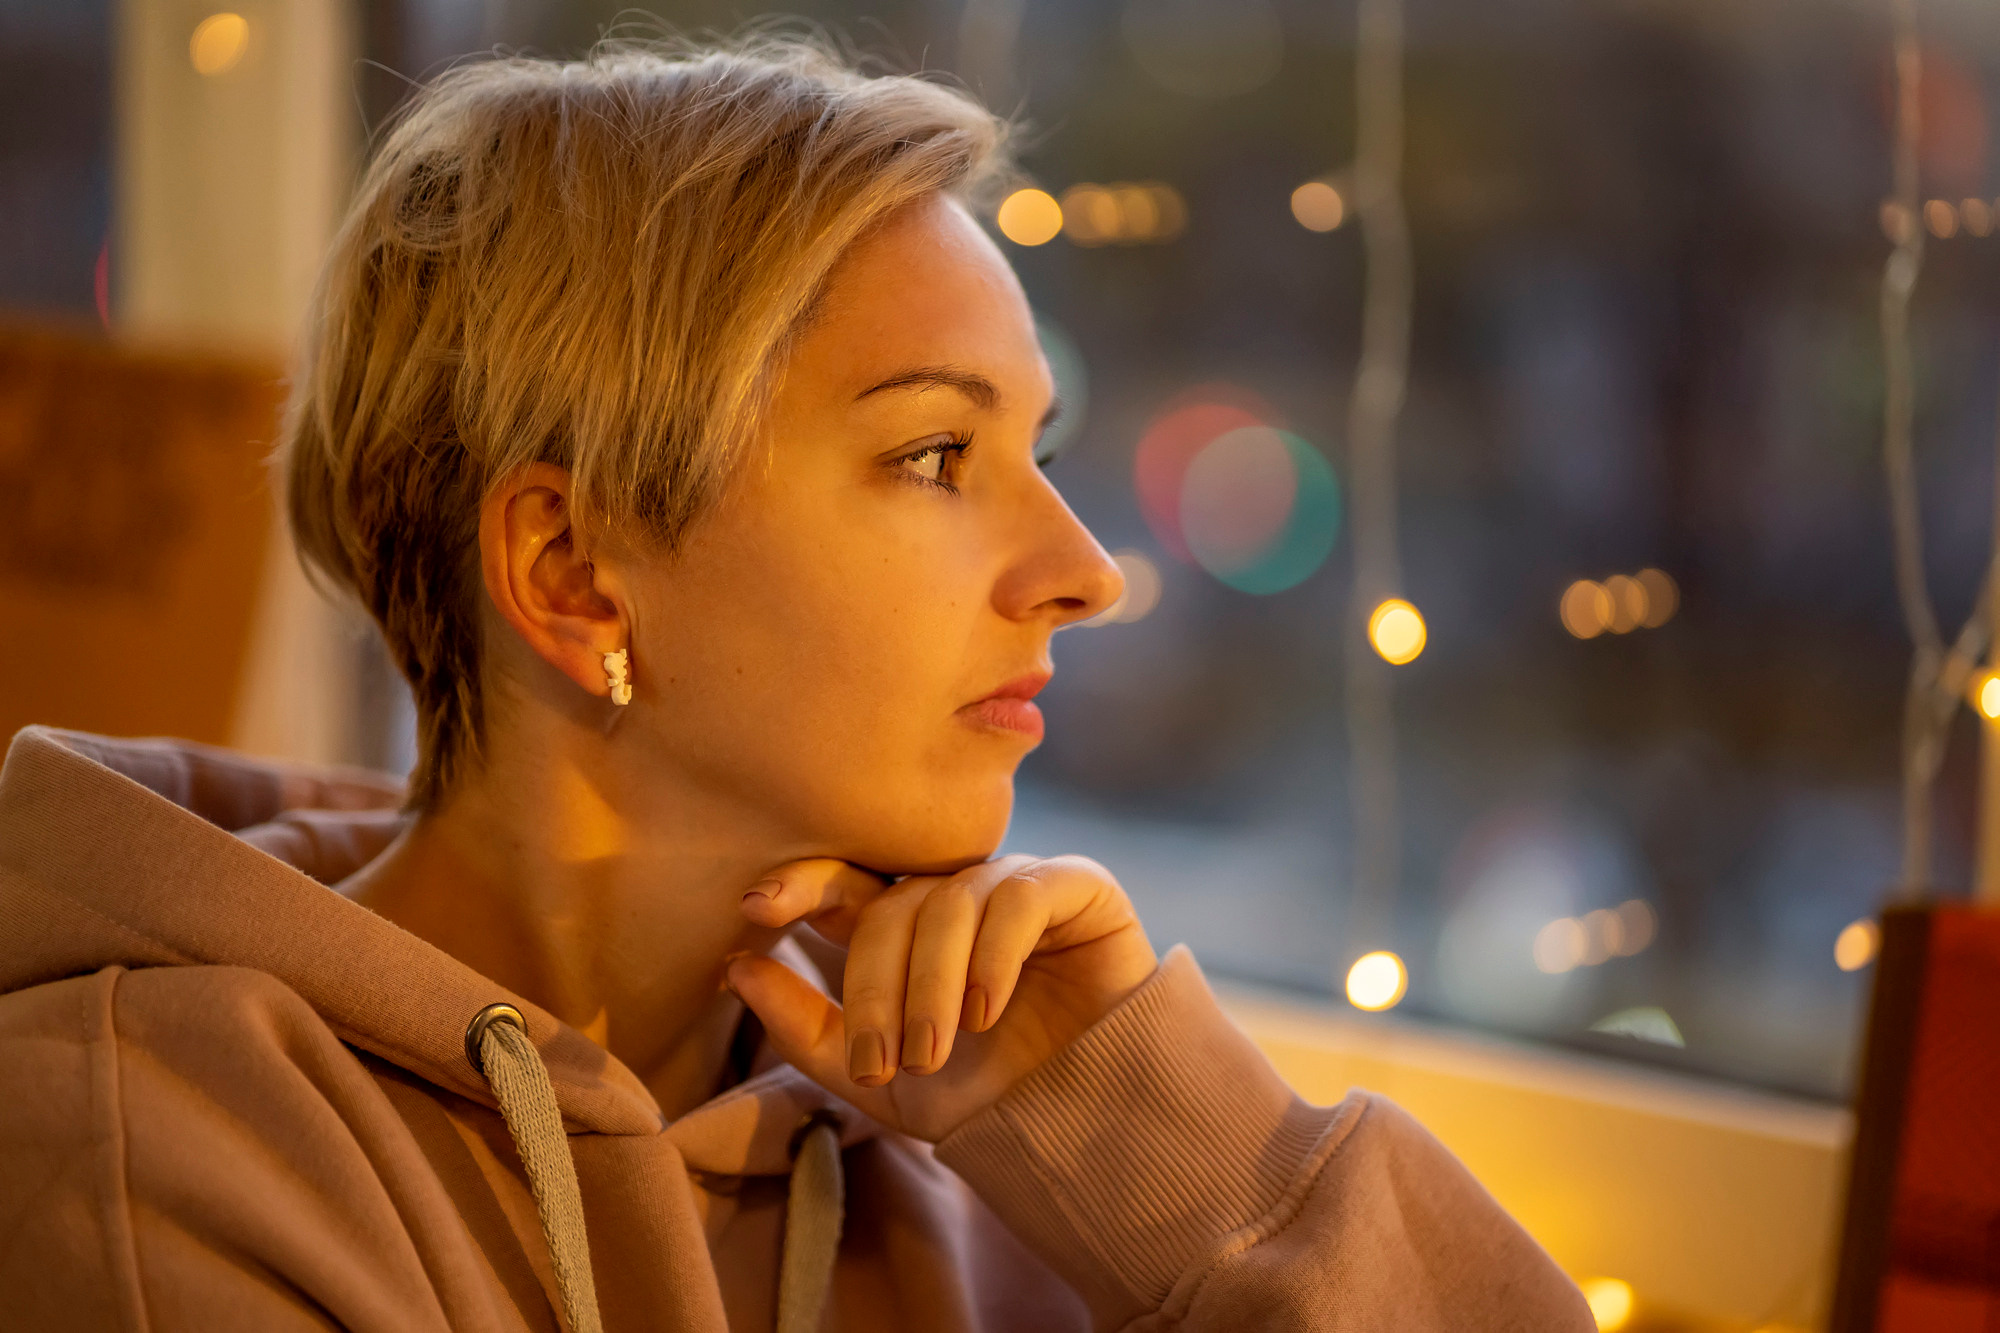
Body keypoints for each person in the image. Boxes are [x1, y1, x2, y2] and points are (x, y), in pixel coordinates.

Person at [0, 37, 1592, 1332]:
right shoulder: (144, 1163)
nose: (1090, 570)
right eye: (931, 454)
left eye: (1039, 450)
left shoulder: (978, 1143)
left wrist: (1176, 1152)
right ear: (570, 572)